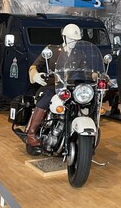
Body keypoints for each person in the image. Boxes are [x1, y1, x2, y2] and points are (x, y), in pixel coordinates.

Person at [24, 23, 82, 155]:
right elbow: (34, 66)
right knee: (46, 100)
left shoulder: (80, 54)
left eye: (76, 40)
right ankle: (31, 134)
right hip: (53, 86)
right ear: (64, 37)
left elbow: (87, 71)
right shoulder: (52, 50)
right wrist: (35, 75)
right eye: (72, 39)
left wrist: (97, 75)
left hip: (72, 88)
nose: (74, 42)